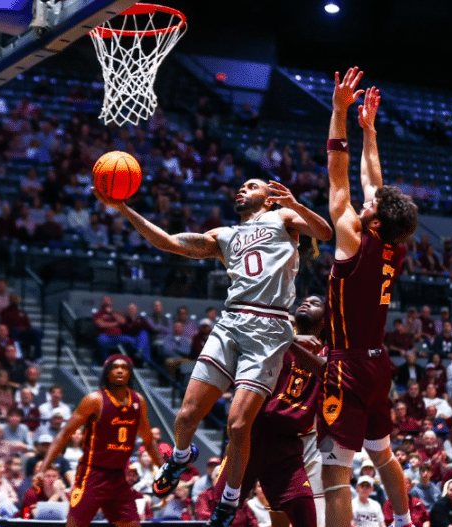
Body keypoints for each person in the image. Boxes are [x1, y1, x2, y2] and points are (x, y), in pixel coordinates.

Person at [93, 150, 332, 527]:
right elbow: (171, 242)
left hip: (270, 327)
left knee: (238, 426)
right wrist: (123, 208)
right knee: (187, 415)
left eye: (251, 185)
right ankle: (181, 455)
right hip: (231, 321)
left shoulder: (283, 217)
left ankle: (230, 500)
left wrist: (295, 203)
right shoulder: (223, 235)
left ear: (268, 197)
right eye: (240, 186)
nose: (242, 189)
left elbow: (326, 233)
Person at [320, 69, 418, 527]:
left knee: (335, 473)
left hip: (348, 363)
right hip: (379, 364)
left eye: (371, 207)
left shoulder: (354, 238)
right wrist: (370, 132)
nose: (366, 203)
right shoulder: (393, 246)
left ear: (374, 222)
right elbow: (373, 183)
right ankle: (403, 522)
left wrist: (340, 112)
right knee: (383, 454)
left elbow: (339, 177)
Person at [211, 295, 327, 527]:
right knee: (220, 514)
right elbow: (246, 335)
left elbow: (323, 370)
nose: (305, 303)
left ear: (327, 319)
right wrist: (291, 338)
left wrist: (290, 342)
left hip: (287, 448)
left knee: (306, 515)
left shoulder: (328, 353)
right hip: (249, 436)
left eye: (315, 303)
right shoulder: (278, 333)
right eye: (303, 301)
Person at [36, 355, 163, 527]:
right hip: (92, 475)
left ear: (130, 374)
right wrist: (43, 468)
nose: (119, 370)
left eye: (124, 368)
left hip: (118, 476)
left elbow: (148, 440)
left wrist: (163, 469)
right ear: (107, 373)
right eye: (115, 367)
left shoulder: (138, 401)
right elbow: (64, 434)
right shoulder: (94, 400)